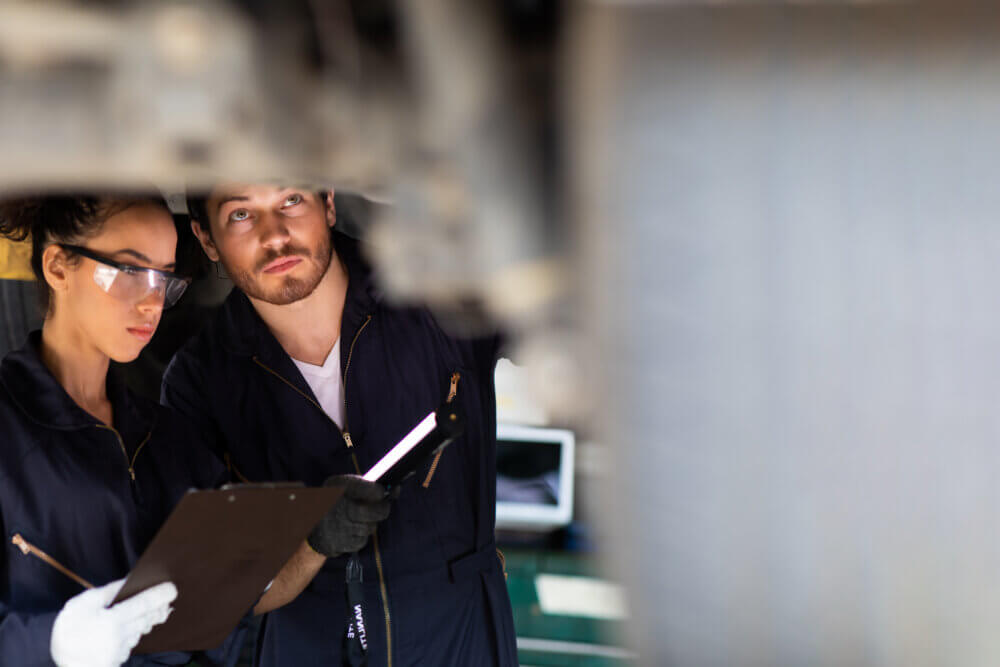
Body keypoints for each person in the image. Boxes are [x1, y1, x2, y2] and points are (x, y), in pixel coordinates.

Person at [163, 184, 517, 666]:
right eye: (241, 215)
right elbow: (214, 594)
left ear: (328, 202)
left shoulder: (429, 292)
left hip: (460, 639)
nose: (275, 236)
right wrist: (312, 542)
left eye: (291, 201)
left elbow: (577, 325)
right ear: (207, 240)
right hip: (308, 648)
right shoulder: (200, 382)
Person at [0, 194, 245, 667]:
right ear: (57, 267)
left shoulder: (170, 438)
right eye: (131, 271)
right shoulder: (9, 429)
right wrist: (52, 644)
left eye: (165, 277)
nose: (154, 301)